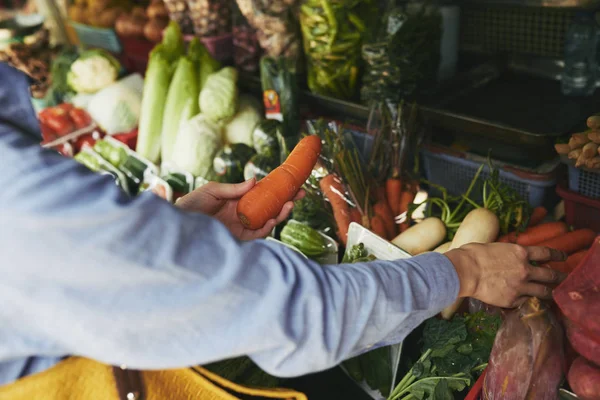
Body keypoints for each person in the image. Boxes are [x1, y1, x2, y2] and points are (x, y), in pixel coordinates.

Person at [0, 62, 567, 386]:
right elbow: (291, 310)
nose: (27, 71)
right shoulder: (17, 187)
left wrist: (174, 238)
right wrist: (460, 270)